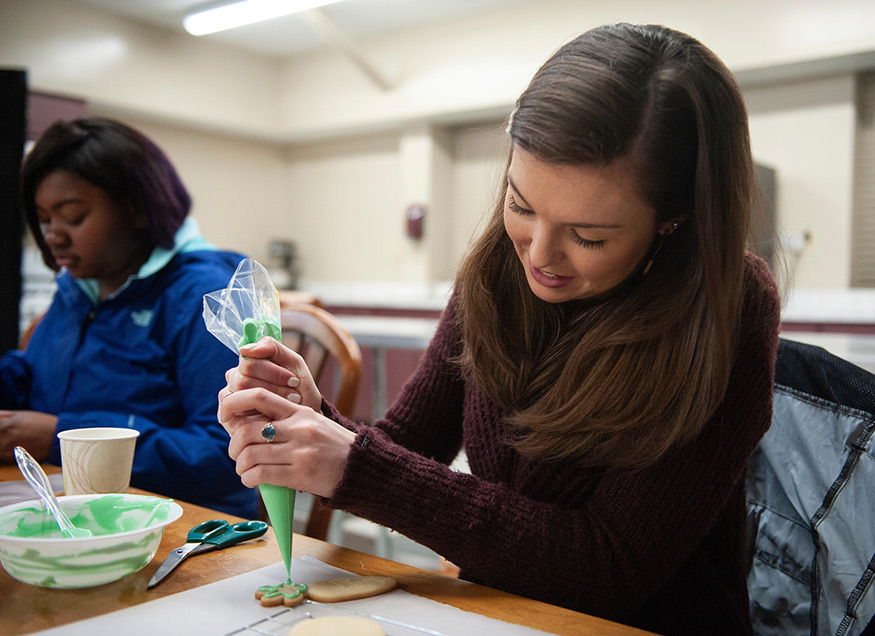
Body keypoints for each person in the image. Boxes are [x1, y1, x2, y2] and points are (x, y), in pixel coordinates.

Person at [217, 23, 781, 635]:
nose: (539, 255)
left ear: (674, 220)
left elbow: (608, 568)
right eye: (521, 204)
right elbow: (409, 443)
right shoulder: (497, 268)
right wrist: (316, 421)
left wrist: (352, 464)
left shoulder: (728, 304)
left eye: (588, 236)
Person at [0, 117, 259, 519]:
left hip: (186, 523)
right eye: (45, 218)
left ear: (136, 209)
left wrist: (63, 437)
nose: (53, 235)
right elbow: (41, 376)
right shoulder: (80, 287)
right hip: (76, 498)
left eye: (72, 216)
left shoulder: (204, 294)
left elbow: (224, 455)